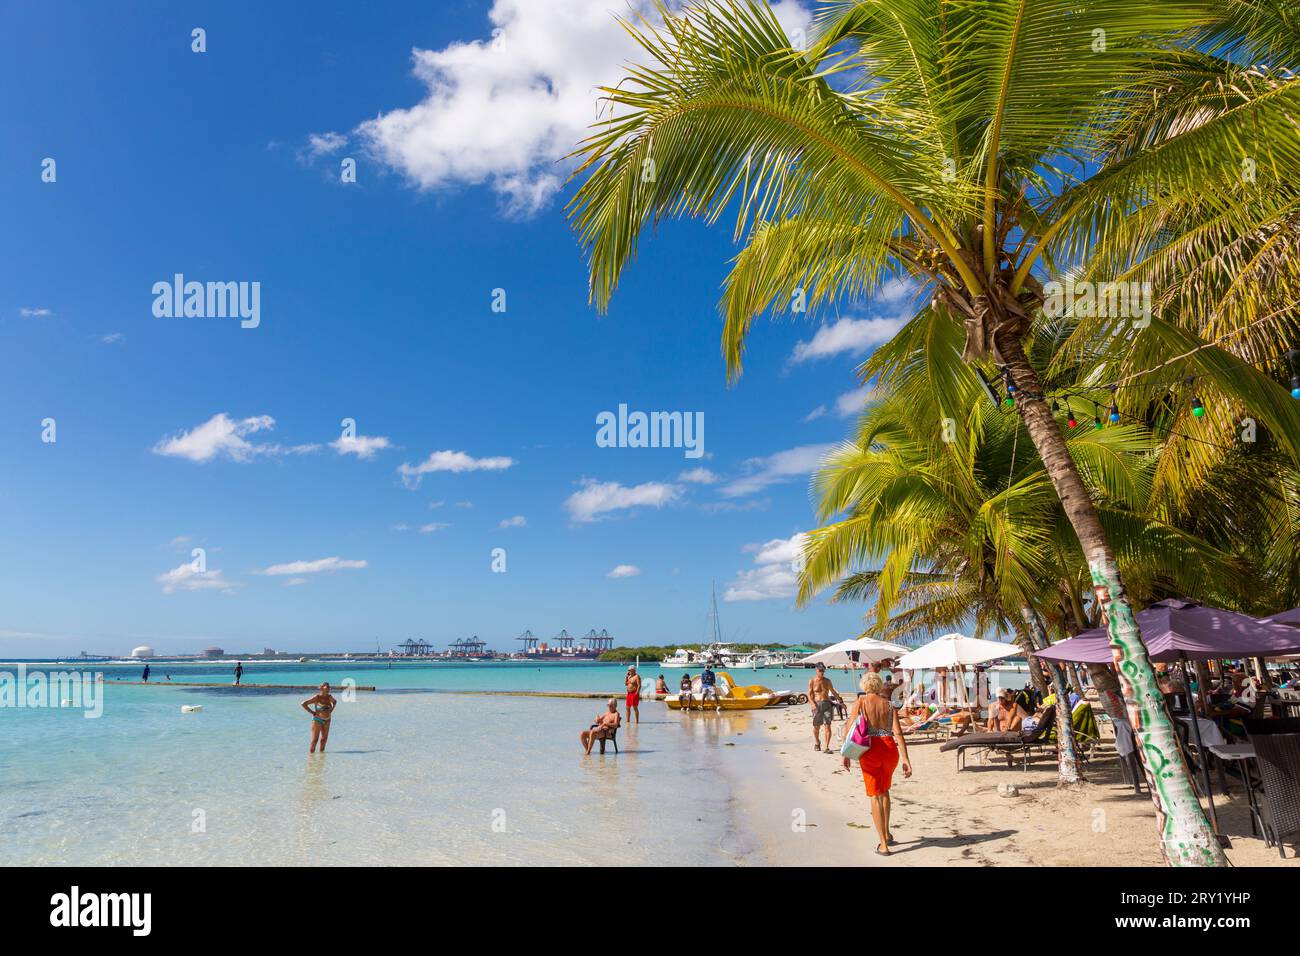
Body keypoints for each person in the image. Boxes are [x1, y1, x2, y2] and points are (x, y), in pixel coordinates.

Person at [841, 672, 912, 856]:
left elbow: (850, 728)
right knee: (885, 789)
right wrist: (906, 759)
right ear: (879, 685)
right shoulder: (889, 705)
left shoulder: (861, 702)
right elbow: (898, 733)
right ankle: (887, 833)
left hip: (870, 750)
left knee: (874, 794)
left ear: (864, 686)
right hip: (889, 749)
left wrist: (845, 753)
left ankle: (883, 845)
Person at [809, 662, 839, 752]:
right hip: (817, 705)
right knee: (816, 727)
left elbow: (833, 691)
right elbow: (809, 695)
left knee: (827, 726)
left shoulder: (827, 681)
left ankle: (826, 747)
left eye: (823, 671)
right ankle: (817, 742)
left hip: (827, 704)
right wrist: (813, 704)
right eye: (820, 670)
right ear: (816, 670)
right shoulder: (812, 681)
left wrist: (840, 700)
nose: (822, 672)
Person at [301, 682, 337, 754]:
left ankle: (321, 756)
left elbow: (335, 702)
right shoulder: (317, 697)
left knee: (324, 739)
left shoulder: (330, 697)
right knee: (315, 740)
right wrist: (312, 712)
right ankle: (311, 757)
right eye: (326, 687)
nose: (328, 688)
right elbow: (303, 704)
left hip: (327, 720)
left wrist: (331, 710)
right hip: (317, 720)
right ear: (321, 688)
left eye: (329, 687)